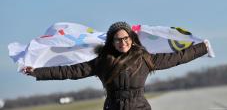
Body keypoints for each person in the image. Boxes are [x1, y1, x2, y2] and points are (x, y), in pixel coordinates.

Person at [23, 21, 209, 110]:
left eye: (126, 38)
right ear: (112, 42)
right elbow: (69, 71)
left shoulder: (144, 58)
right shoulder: (102, 62)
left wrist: (202, 48)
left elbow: (177, 58)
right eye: (118, 40)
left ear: (131, 38)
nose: (123, 43)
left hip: (140, 108)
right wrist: (37, 72)